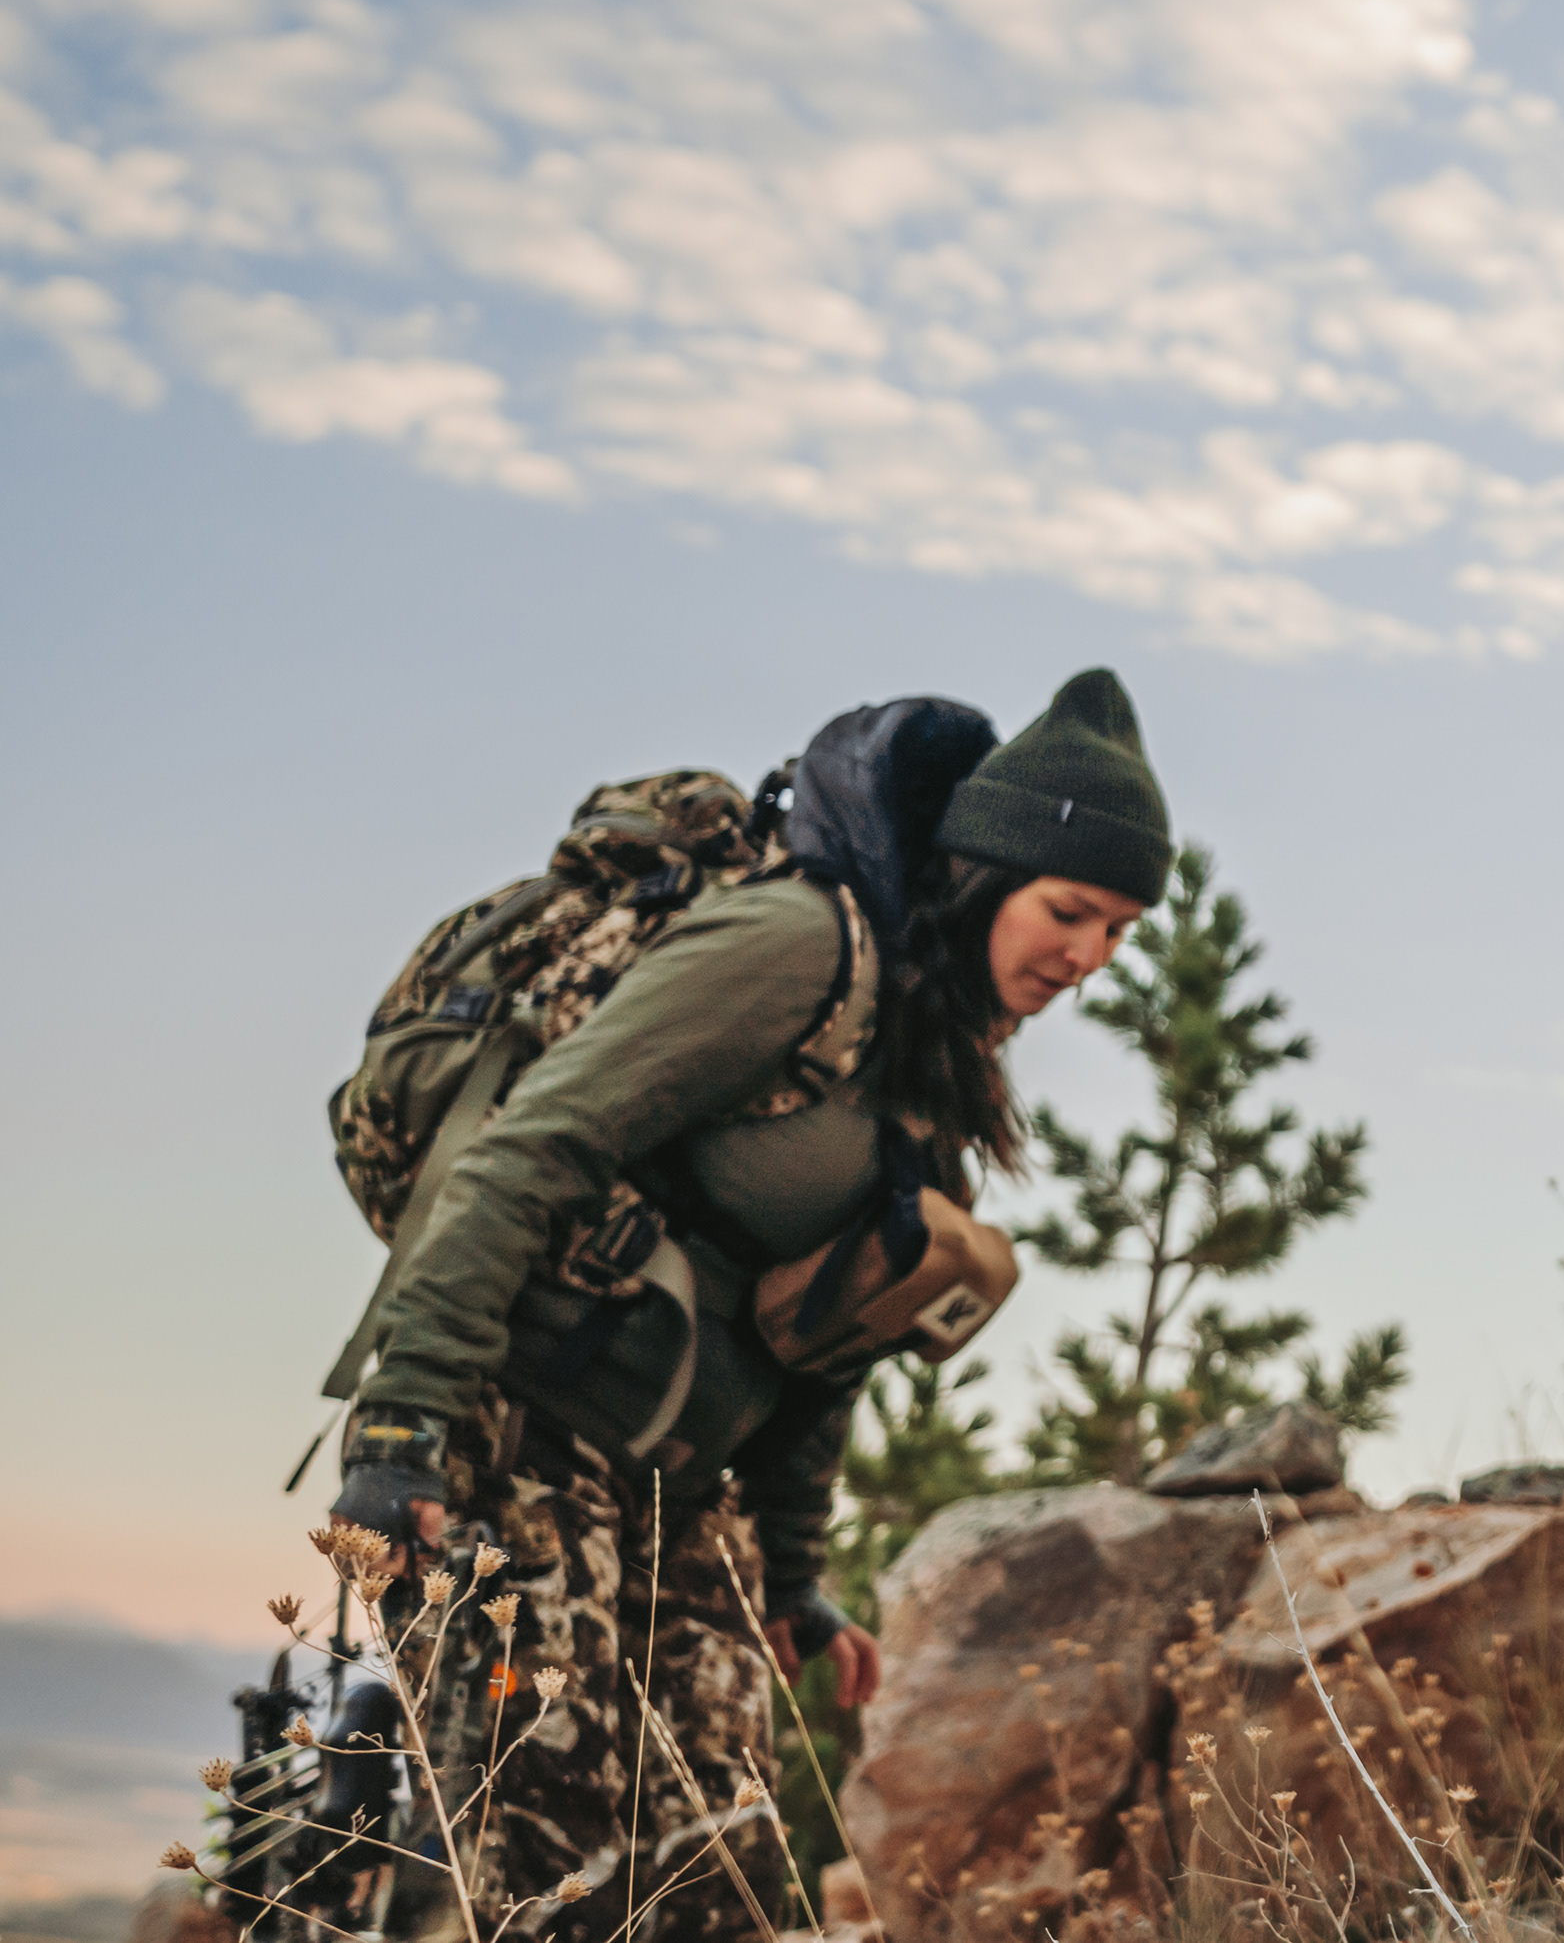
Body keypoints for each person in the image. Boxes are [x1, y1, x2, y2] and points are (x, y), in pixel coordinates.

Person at [324, 670, 1178, 1943]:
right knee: (546, 1882)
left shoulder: (932, 1049)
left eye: (1119, 931)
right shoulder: (799, 947)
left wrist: (792, 1575)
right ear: (981, 875)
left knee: (719, 1887)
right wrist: (402, 1427)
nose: (1090, 958)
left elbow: (831, 1335)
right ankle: (359, 1798)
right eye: (1070, 912)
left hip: (684, 1497)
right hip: (524, 1431)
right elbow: (527, 1150)